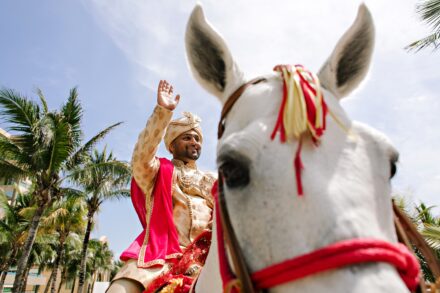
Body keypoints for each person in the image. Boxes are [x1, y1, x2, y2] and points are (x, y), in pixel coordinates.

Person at [107, 80, 216, 293]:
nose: (195, 142)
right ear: (172, 145)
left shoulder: (212, 180)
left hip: (208, 257)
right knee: (119, 289)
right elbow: (141, 157)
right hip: (161, 257)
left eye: (197, 138)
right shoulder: (158, 171)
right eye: (187, 137)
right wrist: (163, 113)